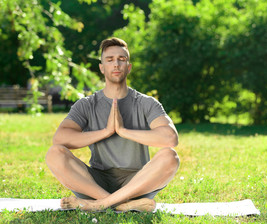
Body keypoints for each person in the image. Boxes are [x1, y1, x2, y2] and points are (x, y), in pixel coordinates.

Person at [45, 37, 180, 212]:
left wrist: (123, 131)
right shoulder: (87, 104)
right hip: (95, 182)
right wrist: (106, 131)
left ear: (128, 67)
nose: (116, 64)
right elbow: (60, 139)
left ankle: (99, 204)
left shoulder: (147, 103)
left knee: (170, 157)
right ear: (102, 68)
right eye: (109, 60)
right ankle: (122, 205)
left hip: (137, 183)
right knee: (54, 153)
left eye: (121, 59)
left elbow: (170, 138)